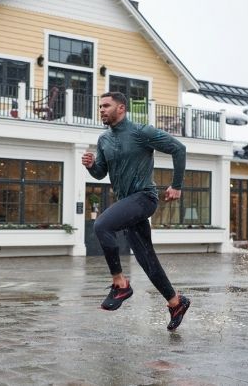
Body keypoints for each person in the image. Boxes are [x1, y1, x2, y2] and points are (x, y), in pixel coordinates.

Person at [81, 91, 191, 331]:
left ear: (121, 108)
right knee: (145, 258)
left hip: (144, 198)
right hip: (128, 202)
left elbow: (179, 149)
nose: (101, 110)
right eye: (100, 106)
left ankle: (120, 284)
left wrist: (177, 185)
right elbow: (101, 172)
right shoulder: (104, 140)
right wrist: (91, 166)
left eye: (106, 106)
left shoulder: (142, 132)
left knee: (102, 225)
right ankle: (176, 302)